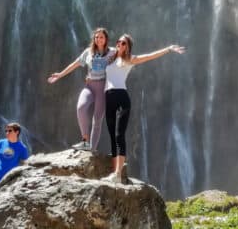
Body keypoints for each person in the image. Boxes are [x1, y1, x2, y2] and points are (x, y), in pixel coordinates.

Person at [101, 34, 185, 183]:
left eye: (124, 43)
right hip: (108, 97)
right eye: (119, 42)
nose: (120, 44)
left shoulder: (130, 60)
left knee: (119, 135)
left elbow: (149, 56)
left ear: (128, 46)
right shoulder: (110, 56)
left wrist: (168, 49)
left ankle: (118, 173)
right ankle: (114, 173)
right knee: (112, 136)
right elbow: (95, 53)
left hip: (122, 97)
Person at [48, 27, 115, 151]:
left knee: (97, 119)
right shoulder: (88, 52)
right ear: (94, 39)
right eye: (96, 37)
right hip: (89, 86)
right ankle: (85, 141)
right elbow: (75, 64)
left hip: (103, 88)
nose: (99, 39)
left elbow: (125, 58)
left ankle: (92, 150)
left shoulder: (112, 52)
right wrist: (60, 74)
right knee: (81, 108)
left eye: (101, 37)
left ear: (106, 39)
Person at [0, 122, 29, 202]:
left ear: (17, 132)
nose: (7, 133)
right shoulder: (0, 143)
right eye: (6, 131)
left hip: (9, 185)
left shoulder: (22, 148)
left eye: (10, 131)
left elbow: (26, 165)